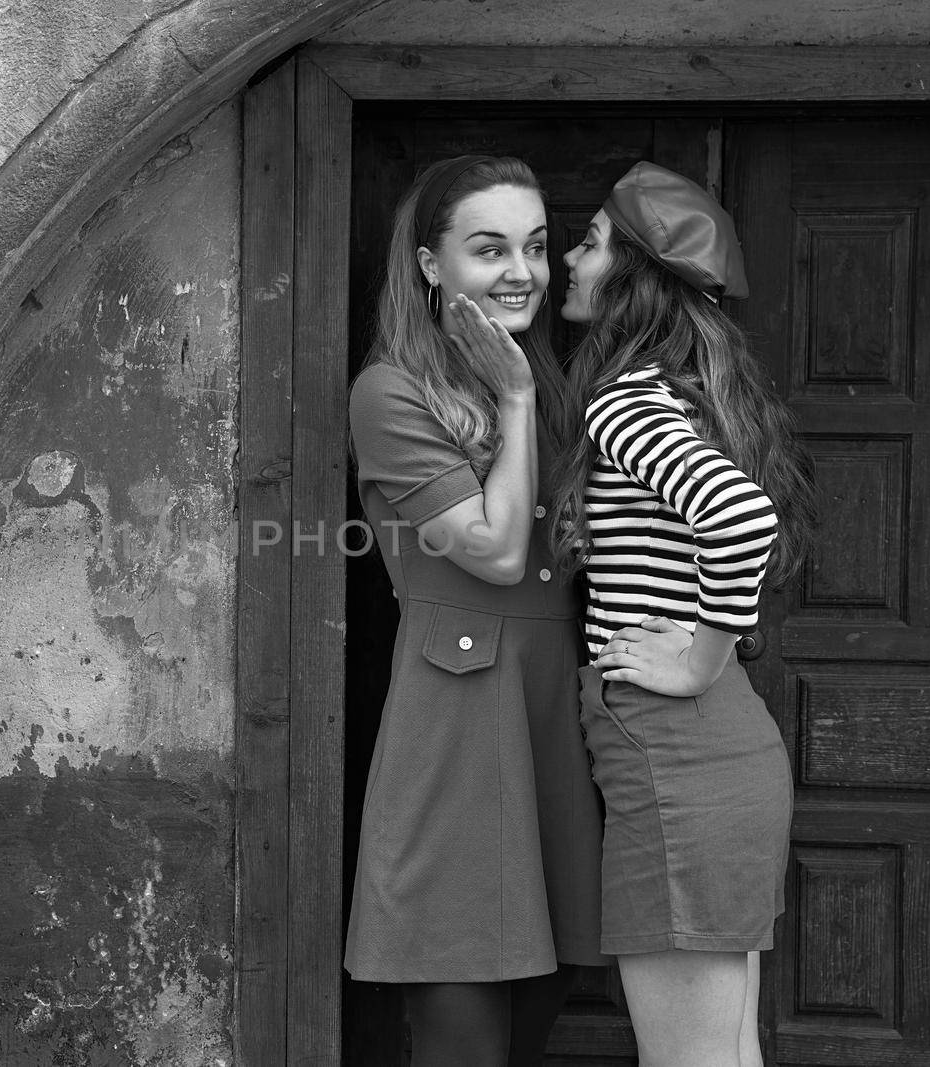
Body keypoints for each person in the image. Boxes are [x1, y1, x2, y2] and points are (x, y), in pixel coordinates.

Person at [345, 155, 606, 1067]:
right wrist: (519, 396)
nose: (522, 271)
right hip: (457, 719)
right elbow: (494, 552)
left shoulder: (554, 383)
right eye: (489, 248)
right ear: (429, 266)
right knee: (463, 1025)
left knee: (542, 1003)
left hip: (550, 714)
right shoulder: (391, 392)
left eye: (535, 246)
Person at [554, 161, 817, 1067]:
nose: (568, 263)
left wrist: (703, 655)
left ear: (631, 275)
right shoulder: (683, 395)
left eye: (587, 244)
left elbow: (740, 516)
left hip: (679, 757)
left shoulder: (625, 401)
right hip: (710, 756)